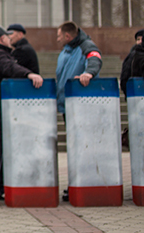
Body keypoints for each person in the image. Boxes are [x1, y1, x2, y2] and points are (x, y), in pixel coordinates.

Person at [0, 26, 43, 200]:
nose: (10, 40)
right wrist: (29, 74)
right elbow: (9, 68)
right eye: (7, 37)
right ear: (2, 39)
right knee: (0, 147)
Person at [55, 21, 102, 202]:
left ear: (68, 36)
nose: (58, 39)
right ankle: (75, 184)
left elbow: (95, 58)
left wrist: (89, 73)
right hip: (68, 105)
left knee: (82, 146)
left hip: (81, 106)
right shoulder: (67, 50)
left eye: (59, 35)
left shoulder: (86, 46)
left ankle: (83, 183)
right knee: (74, 147)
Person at [120, 29, 144, 97]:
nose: (140, 42)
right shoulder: (132, 56)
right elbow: (125, 75)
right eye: (138, 39)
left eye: (142, 39)